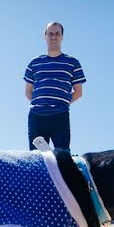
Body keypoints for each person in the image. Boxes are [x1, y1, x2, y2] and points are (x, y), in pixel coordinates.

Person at [23, 22, 86, 150]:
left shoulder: (72, 63)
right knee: (37, 159)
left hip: (60, 116)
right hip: (37, 118)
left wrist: (61, 103)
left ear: (62, 37)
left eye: (57, 34)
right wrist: (42, 103)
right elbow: (28, 92)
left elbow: (78, 92)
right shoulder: (34, 63)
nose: (54, 37)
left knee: (63, 158)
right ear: (45, 36)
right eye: (50, 33)